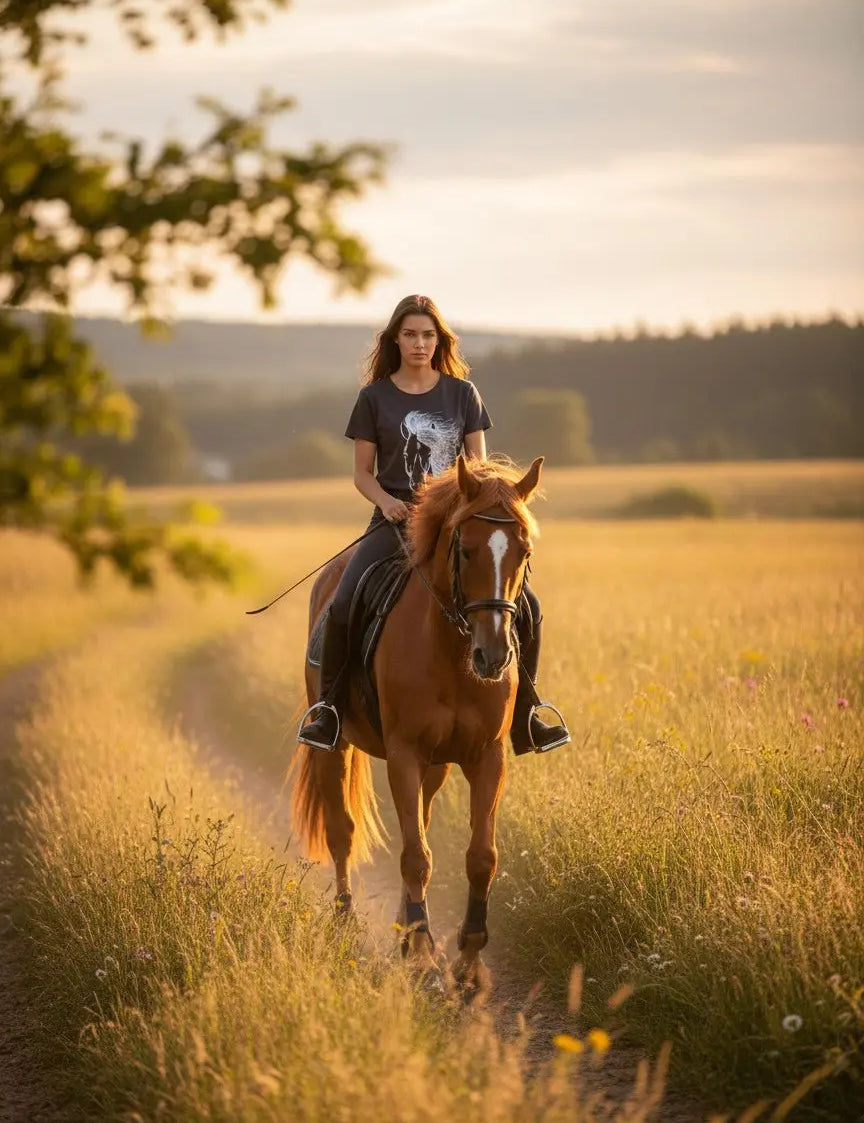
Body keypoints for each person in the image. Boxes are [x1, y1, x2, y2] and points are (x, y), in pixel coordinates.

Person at [298, 294, 570, 755]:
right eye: (410, 335)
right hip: (394, 519)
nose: (419, 344)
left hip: (455, 524)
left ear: (438, 340)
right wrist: (386, 503)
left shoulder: (462, 394)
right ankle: (328, 711)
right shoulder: (374, 398)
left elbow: (478, 470)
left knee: (529, 606)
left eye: (428, 335)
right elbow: (363, 472)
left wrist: (469, 507)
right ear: (395, 340)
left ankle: (527, 712)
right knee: (343, 602)